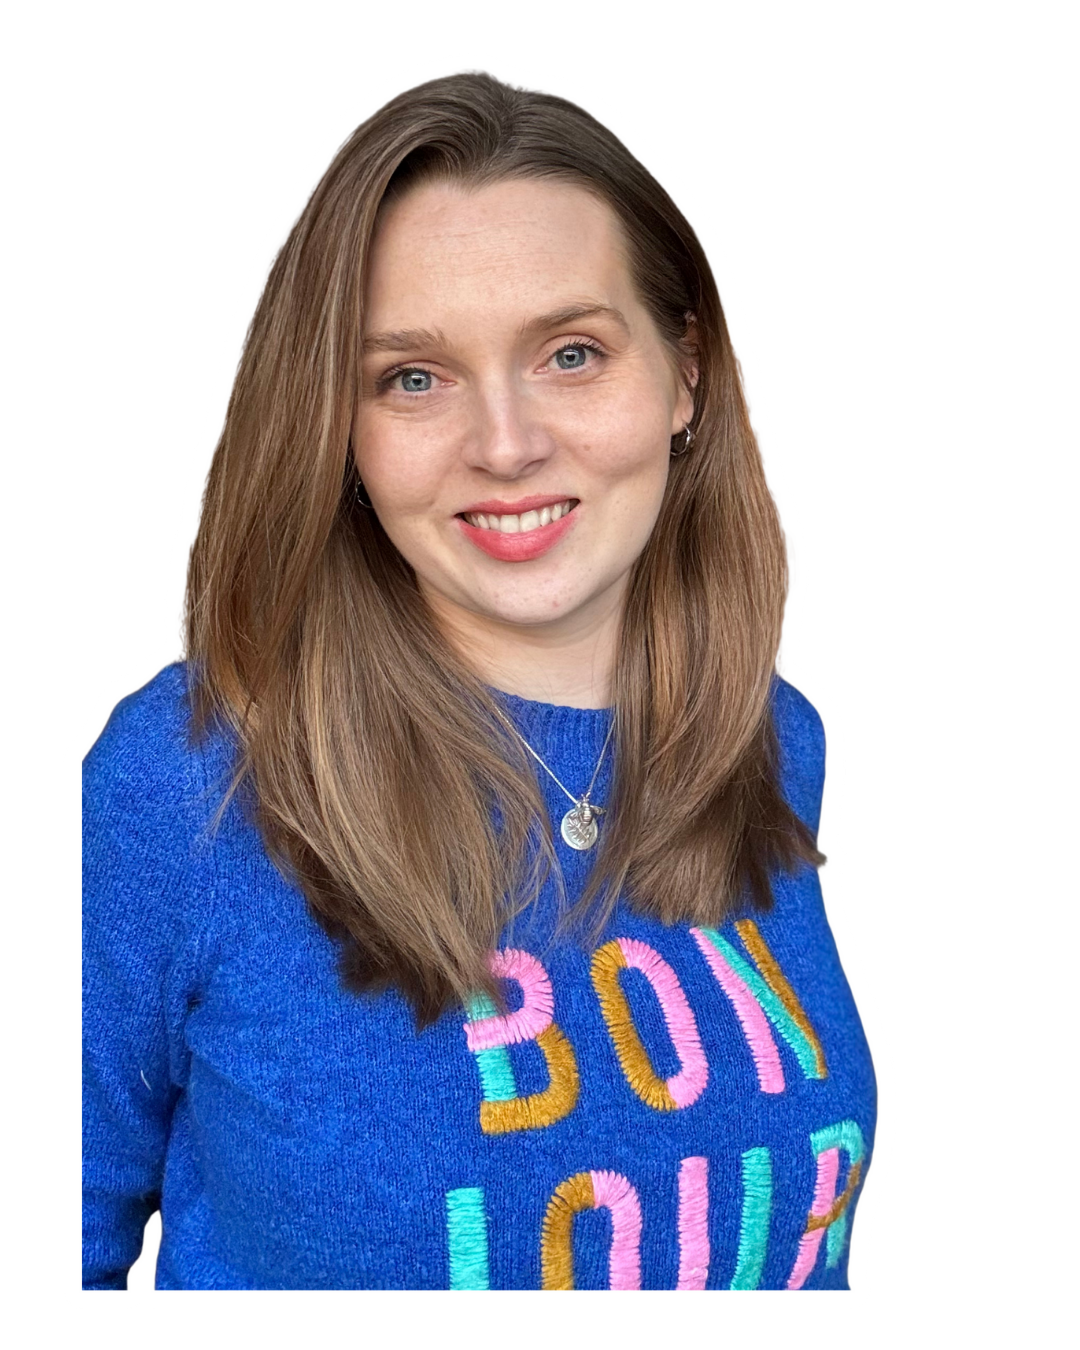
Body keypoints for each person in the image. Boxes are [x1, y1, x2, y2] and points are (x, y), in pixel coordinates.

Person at [82, 71, 876, 1292]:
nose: (504, 444)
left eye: (570, 353)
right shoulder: (189, 780)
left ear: (685, 374)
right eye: (414, 376)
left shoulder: (767, 740)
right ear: (337, 425)